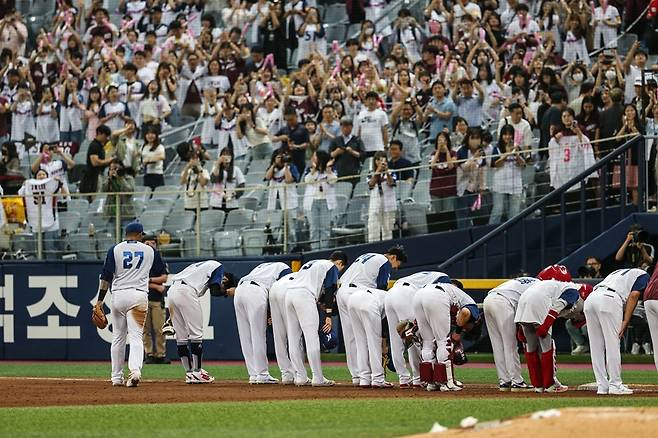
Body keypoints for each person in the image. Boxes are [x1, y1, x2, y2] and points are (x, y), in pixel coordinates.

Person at [94, 221, 166, 387]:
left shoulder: (116, 249)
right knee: (136, 336)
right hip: (138, 296)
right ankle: (135, 371)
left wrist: (99, 301)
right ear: (141, 235)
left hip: (118, 296)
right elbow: (161, 272)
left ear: (125, 234)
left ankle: (116, 377)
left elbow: (106, 277)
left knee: (118, 337)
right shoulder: (150, 250)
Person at [336, 247, 407, 385]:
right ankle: (376, 377)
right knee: (369, 337)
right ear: (393, 257)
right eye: (396, 265)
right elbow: (381, 287)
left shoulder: (367, 255)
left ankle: (358, 377)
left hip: (342, 292)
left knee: (351, 338)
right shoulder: (384, 261)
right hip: (360, 293)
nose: (394, 269)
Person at [167, 260, 236, 383]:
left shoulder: (201, 266)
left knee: (181, 337)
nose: (222, 283)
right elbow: (215, 291)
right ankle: (197, 372)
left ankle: (189, 373)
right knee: (196, 335)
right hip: (186, 292)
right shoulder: (218, 266)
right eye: (224, 282)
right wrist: (227, 292)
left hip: (172, 290)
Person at [285, 251, 348, 386]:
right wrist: (328, 316)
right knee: (311, 338)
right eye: (341, 268)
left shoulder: (312, 263)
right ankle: (317, 378)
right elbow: (330, 290)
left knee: (293, 338)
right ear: (339, 263)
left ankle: (300, 376)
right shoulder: (331, 267)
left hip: (289, 295)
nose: (339, 271)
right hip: (304, 296)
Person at [584, 268, 649, 395]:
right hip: (609, 299)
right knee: (612, 344)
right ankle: (615, 384)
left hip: (591, 298)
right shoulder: (644, 274)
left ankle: (602, 386)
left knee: (596, 346)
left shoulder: (618, 272)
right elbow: (634, 295)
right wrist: (625, 321)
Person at [515, 265, 579, 393]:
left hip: (522, 300)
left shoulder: (542, 285)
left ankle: (538, 385)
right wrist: (546, 325)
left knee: (531, 348)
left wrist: (520, 330)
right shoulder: (572, 289)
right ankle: (550, 385)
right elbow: (559, 306)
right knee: (546, 348)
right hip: (540, 302)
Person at [384, 271, 451, 388]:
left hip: (391, 293)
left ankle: (403, 378)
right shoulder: (446, 281)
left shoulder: (431, 275)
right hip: (406, 294)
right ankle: (418, 378)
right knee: (413, 335)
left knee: (395, 337)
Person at [413, 279, 482, 392]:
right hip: (437, 296)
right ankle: (446, 382)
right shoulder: (470, 303)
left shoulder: (452, 292)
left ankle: (431, 383)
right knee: (443, 342)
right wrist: (458, 332)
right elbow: (465, 313)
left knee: (427, 342)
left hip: (418, 294)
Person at [234, 262, 292, 384]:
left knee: (245, 337)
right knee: (258, 335)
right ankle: (262, 374)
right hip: (256, 291)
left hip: (239, 291)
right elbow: (281, 291)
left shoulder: (265, 266)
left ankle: (253, 374)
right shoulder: (284, 268)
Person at [483, 276, 538, 391]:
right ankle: (517, 382)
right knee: (510, 344)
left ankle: (504, 381)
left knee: (497, 344)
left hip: (488, 299)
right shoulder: (540, 286)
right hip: (503, 302)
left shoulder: (529, 280)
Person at [18, 169, 67, 259]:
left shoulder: (52, 186)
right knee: (39, 251)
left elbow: (65, 196)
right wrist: (25, 184)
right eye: (39, 175)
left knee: (50, 249)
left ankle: (52, 270)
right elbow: (20, 194)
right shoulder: (29, 186)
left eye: (43, 174)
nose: (41, 176)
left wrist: (59, 184)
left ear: (47, 177)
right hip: (36, 222)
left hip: (51, 223)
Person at [489, 124, 525, 225]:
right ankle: (490, 231)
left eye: (510, 134)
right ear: (501, 135)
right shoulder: (496, 149)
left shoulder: (517, 148)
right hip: (500, 184)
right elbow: (495, 164)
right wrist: (507, 154)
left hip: (515, 184)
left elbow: (523, 164)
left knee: (514, 212)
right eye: (505, 134)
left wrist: (516, 155)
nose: (507, 137)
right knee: (497, 210)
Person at [142, 234, 169, 365]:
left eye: (153, 243)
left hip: (157, 300)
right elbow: (136, 280)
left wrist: (150, 281)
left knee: (160, 329)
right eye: (147, 243)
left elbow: (164, 278)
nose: (150, 245)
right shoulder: (139, 259)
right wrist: (155, 286)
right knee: (145, 329)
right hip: (143, 299)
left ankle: (160, 354)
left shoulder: (158, 258)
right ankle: (149, 354)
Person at [303, 150, 337, 250]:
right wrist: (314, 169)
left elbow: (333, 180)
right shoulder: (310, 169)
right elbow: (308, 180)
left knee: (325, 227)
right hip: (312, 202)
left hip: (326, 202)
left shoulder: (331, 169)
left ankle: (324, 249)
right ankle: (314, 249)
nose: (313, 158)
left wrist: (327, 169)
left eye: (315, 156)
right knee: (314, 227)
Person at [268, 271, 297, 384]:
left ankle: (286, 374)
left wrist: (269, 314)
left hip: (273, 289)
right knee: (294, 334)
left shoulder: (289, 274)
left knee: (279, 336)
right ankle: (299, 374)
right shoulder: (316, 274)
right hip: (287, 291)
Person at [367, 151, 397, 242]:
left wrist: (386, 172)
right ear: (375, 161)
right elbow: (371, 184)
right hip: (375, 204)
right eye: (379, 160)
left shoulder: (391, 172)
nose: (382, 162)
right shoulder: (370, 173)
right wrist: (378, 171)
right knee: (373, 229)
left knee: (388, 229)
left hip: (388, 204)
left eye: (383, 160)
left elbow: (391, 183)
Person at [271, 108, 310, 177]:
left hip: (299, 158)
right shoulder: (284, 129)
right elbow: (273, 138)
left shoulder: (303, 129)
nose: (289, 122)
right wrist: (280, 138)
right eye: (287, 120)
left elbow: (307, 144)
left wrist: (297, 147)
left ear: (296, 116)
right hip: (285, 158)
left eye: (291, 119)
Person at [102, 159, 136, 232]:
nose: (115, 171)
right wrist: (109, 178)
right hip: (112, 214)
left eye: (117, 169)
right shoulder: (109, 180)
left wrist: (121, 179)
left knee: (126, 239)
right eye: (112, 169)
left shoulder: (128, 179)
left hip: (126, 214)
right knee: (114, 239)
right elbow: (103, 189)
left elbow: (129, 191)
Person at [80, 125, 113, 197]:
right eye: (105, 135)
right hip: (92, 177)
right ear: (100, 133)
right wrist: (108, 160)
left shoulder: (101, 146)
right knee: (95, 196)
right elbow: (94, 162)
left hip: (98, 175)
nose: (106, 138)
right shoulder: (94, 145)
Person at [209, 147, 245, 213]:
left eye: (228, 155)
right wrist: (217, 164)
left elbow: (242, 186)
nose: (226, 157)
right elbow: (213, 180)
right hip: (217, 203)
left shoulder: (236, 169)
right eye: (224, 155)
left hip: (231, 203)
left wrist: (233, 194)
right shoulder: (215, 168)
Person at [329, 117, 363, 186]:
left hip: (353, 171)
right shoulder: (336, 140)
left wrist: (352, 151)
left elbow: (362, 155)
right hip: (339, 171)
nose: (345, 129)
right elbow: (329, 155)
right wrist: (336, 152)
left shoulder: (357, 140)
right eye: (343, 126)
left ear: (351, 127)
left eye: (347, 126)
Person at [354, 91, 389, 158]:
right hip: (364, 148)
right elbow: (359, 131)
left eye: (373, 99)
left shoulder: (382, 114)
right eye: (369, 99)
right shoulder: (361, 114)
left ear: (377, 101)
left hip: (378, 147)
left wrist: (386, 146)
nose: (371, 102)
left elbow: (384, 131)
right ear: (366, 101)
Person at [140, 126, 165, 191]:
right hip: (147, 174)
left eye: (152, 134)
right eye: (148, 134)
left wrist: (149, 159)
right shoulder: (144, 147)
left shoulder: (159, 146)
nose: (150, 136)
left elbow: (162, 156)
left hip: (157, 174)